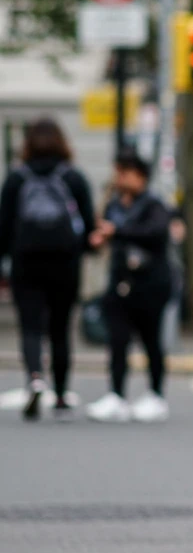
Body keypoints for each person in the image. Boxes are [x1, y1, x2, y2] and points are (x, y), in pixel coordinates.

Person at [0, 117, 95, 421]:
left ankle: (34, 378)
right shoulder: (73, 178)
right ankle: (61, 393)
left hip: (26, 261)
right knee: (60, 328)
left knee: (30, 325)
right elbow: (88, 225)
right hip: (64, 262)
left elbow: (4, 227)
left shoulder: (17, 178)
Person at [86, 149, 173, 423]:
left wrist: (117, 232)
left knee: (151, 341)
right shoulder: (113, 205)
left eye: (124, 173)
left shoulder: (153, 205)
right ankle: (116, 395)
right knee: (117, 340)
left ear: (140, 176)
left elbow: (157, 234)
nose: (119, 178)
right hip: (120, 280)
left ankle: (156, 394)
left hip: (150, 282)